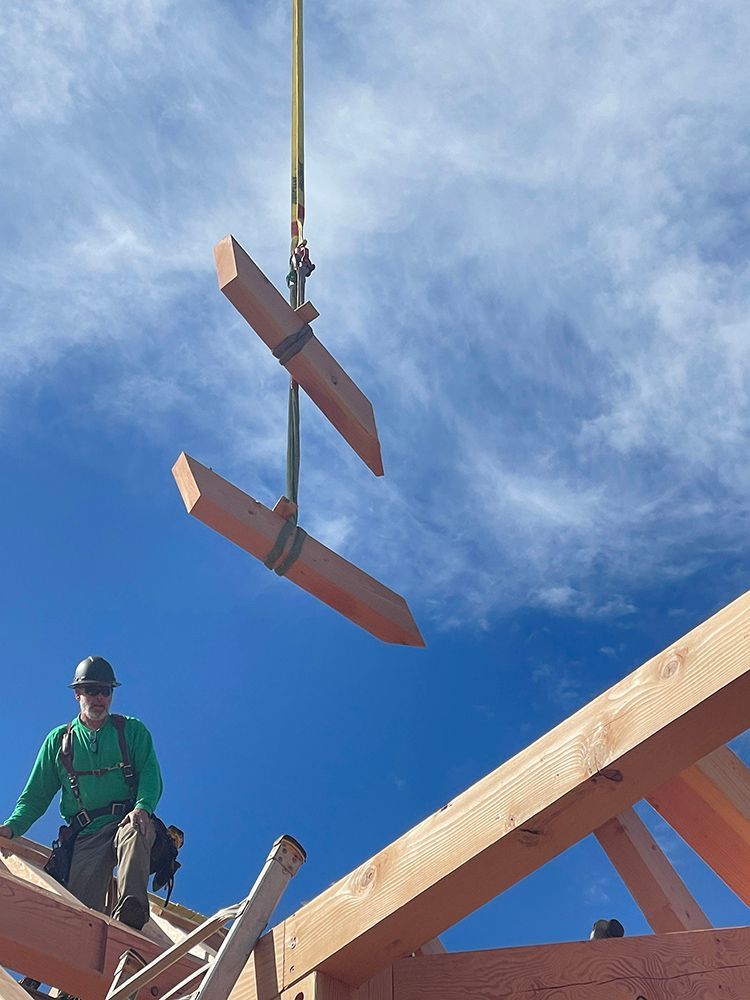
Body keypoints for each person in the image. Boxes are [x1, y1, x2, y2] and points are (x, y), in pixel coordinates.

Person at [0, 655, 162, 930]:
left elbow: (150, 775)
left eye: (105, 691)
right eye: (91, 690)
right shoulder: (59, 741)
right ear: (77, 694)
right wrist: (12, 828)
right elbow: (35, 796)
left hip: (126, 820)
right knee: (80, 919)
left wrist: (142, 807)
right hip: (87, 834)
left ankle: (131, 912)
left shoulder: (131, 730)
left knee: (136, 831)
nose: (99, 698)